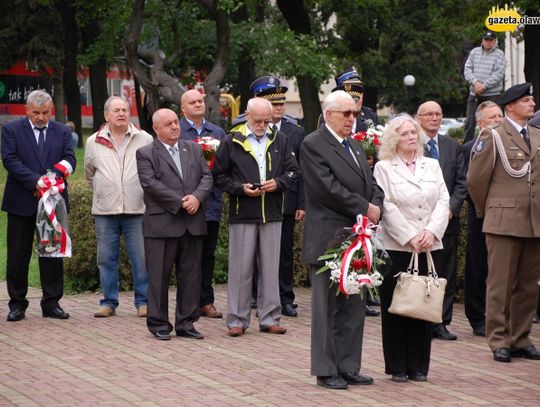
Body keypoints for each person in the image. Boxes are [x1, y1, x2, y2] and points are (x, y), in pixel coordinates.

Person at [301, 90, 384, 390]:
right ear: (328, 115)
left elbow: (371, 182)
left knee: (353, 305)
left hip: (357, 235)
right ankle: (326, 369)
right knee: (327, 308)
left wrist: (376, 204)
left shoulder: (354, 146)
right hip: (329, 238)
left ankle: (348, 365)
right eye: (346, 114)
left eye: (354, 113)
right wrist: (366, 207)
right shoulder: (313, 144)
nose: (353, 118)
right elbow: (327, 189)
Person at [212, 97, 299, 337]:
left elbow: (294, 172)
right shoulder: (231, 141)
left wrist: (278, 183)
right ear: (247, 116)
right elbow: (218, 176)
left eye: (267, 121)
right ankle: (237, 319)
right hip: (243, 213)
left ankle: (270, 317)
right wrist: (240, 189)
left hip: (272, 213)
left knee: (272, 268)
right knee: (240, 269)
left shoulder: (281, 139)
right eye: (258, 120)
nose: (263, 125)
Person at [373, 114, 449, 382]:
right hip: (398, 247)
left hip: (429, 247)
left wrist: (431, 231)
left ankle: (419, 366)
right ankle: (397, 366)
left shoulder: (432, 165)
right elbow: (386, 205)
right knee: (396, 308)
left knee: (422, 305)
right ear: (394, 138)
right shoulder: (384, 167)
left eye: (414, 133)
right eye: (405, 133)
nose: (411, 137)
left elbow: (443, 199)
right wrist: (409, 236)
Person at [468, 82, 540, 362]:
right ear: (511, 106)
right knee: (500, 284)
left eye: (532, 100)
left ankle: (520, 337)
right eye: (527, 101)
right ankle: (498, 339)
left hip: (533, 221)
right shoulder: (493, 135)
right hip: (502, 219)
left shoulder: (536, 134)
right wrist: (489, 211)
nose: (532, 105)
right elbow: (476, 181)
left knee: (528, 285)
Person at [136, 108, 213, 340]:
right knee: (159, 276)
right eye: (168, 124)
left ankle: (186, 323)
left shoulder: (194, 148)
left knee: (190, 275)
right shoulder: (146, 153)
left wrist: (197, 197)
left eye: (175, 123)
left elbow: (207, 177)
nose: (175, 127)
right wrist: (181, 202)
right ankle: (159, 323)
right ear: (156, 128)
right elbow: (150, 184)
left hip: (192, 222)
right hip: (162, 224)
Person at [2, 90, 75, 322]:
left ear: (51, 111)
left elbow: (70, 158)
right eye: (36, 113)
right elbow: (10, 160)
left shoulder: (63, 131)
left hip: (53, 202)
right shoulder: (11, 130)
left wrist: (53, 177)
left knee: (52, 252)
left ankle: (52, 303)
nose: (41, 117)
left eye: (45, 113)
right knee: (17, 254)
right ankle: (17, 304)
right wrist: (36, 182)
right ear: (27, 110)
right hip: (21, 201)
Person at [318, 67, 381, 317]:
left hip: (366, 183)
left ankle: (366, 292)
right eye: (351, 93)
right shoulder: (329, 120)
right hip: (345, 197)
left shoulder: (368, 117)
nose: (358, 99)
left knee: (368, 245)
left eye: (360, 93)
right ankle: (352, 290)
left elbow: (376, 146)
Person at [84, 96, 153, 318]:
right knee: (105, 258)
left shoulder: (145, 138)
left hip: (137, 208)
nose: (122, 113)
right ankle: (108, 302)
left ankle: (143, 301)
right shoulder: (93, 141)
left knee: (141, 258)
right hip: (105, 211)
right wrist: (106, 189)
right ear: (106, 115)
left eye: (125, 109)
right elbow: (89, 173)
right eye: (116, 110)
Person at [245, 76, 305, 317]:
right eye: (274, 104)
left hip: (286, 200)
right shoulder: (245, 128)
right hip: (256, 200)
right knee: (254, 250)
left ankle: (285, 297)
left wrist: (302, 202)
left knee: (284, 253)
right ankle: (255, 295)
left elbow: (302, 172)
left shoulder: (295, 132)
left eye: (281, 104)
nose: (279, 108)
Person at [416, 101, 467, 341]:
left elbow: (461, 183)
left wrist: (450, 211)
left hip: (446, 222)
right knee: (421, 273)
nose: (434, 118)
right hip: (418, 224)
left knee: (444, 273)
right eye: (429, 114)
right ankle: (420, 319)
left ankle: (441, 322)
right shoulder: (411, 145)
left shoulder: (451, 147)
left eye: (438, 114)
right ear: (419, 118)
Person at [179, 89, 227, 319]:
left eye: (200, 101)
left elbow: (227, 164)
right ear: (183, 108)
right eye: (193, 102)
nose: (198, 104)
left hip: (211, 203)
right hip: (186, 202)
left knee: (208, 253)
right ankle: (187, 302)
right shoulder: (176, 130)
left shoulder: (217, 132)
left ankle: (206, 301)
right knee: (187, 254)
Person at [462, 101, 503, 336]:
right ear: (480, 123)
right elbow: (467, 182)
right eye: (492, 117)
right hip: (480, 214)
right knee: (478, 266)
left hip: (506, 215)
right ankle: (477, 316)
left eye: (500, 115)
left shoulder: (511, 145)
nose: (498, 120)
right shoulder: (469, 148)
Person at [463, 30, 505, 144]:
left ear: (495, 41)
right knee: (470, 121)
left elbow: (499, 74)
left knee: (495, 119)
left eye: (491, 40)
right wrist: (475, 83)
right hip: (474, 92)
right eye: (486, 39)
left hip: (492, 95)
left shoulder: (499, 54)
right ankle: (467, 146)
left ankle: (497, 142)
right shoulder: (474, 52)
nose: (488, 42)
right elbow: (467, 69)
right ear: (483, 40)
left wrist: (484, 86)